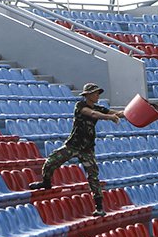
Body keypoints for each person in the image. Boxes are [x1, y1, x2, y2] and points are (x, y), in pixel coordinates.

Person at [29, 82, 125, 217]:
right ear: (88, 95)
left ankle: (99, 207)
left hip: (87, 149)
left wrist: (130, 113)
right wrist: (109, 117)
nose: (98, 95)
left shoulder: (99, 108)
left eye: (98, 93)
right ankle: (46, 182)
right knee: (51, 161)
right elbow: (92, 113)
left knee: (93, 176)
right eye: (95, 93)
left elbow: (117, 113)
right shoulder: (80, 106)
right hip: (73, 145)